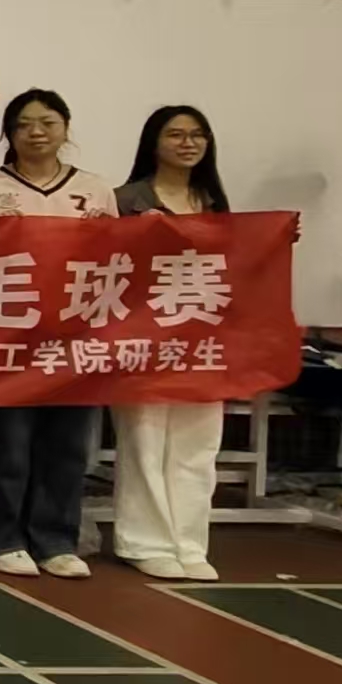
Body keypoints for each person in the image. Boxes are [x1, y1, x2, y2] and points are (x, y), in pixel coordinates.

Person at [0, 88, 117, 580]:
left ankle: (55, 540)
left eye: (47, 122)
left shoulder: (96, 191)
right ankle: (0, 538)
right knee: (7, 445)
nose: (36, 132)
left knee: (66, 446)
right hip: (5, 342)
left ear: (65, 129)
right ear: (9, 133)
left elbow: (120, 263)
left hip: (74, 342)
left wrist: (111, 233)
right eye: (24, 124)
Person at [109, 105, 230, 582]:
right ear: (153, 143)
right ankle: (144, 542)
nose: (188, 143)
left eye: (197, 135)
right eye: (176, 134)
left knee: (198, 443)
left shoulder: (214, 202)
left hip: (202, 339)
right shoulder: (126, 200)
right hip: (143, 335)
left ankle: (189, 542)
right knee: (144, 439)